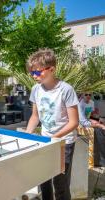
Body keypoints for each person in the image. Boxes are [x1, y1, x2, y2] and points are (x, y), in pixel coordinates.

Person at [25, 49, 79, 200]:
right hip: (45, 141)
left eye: (37, 72)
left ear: (52, 69)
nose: (34, 76)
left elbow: (74, 122)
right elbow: (35, 116)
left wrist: (53, 138)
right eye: (32, 73)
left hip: (64, 142)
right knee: (44, 180)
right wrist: (26, 134)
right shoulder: (36, 89)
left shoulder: (66, 89)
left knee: (60, 184)